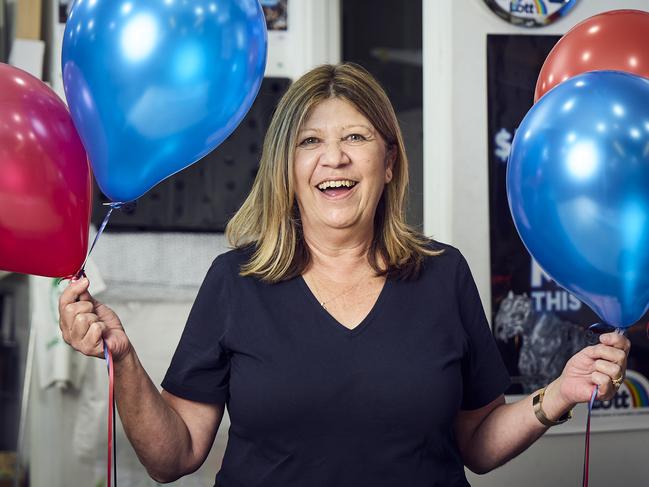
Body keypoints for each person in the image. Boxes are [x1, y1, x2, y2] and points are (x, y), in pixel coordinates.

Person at [59, 63, 631, 486]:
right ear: (288, 168)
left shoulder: (443, 274)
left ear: (388, 162)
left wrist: (557, 395)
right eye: (311, 141)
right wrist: (125, 358)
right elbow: (172, 456)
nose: (333, 158)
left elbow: (476, 445)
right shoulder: (235, 281)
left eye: (354, 137)